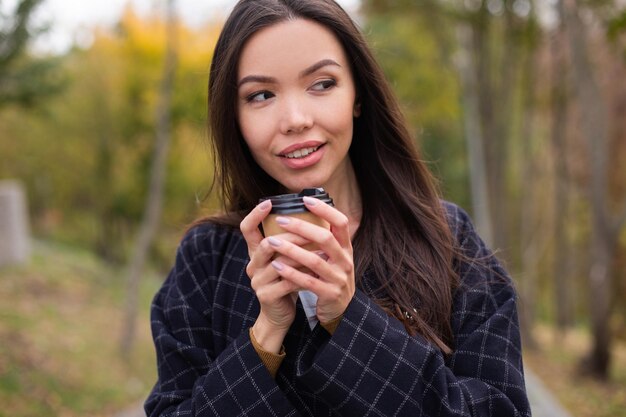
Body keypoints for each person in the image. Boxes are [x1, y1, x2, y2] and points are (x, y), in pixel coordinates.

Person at [145, 0, 532, 416]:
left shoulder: (447, 238)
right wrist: (265, 336)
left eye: (322, 84)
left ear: (358, 95)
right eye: (260, 95)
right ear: (234, 117)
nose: (295, 119)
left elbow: (501, 407)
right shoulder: (206, 258)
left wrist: (350, 320)